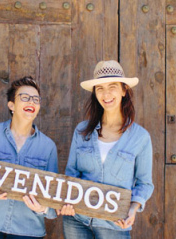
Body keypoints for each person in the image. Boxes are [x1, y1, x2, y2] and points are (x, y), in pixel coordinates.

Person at [60, 60, 154, 239]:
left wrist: (133, 209)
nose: (106, 93)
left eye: (112, 86)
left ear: (124, 90)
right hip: (77, 220)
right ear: (95, 93)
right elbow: (71, 174)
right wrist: (67, 201)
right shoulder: (81, 131)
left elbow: (144, 184)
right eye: (100, 88)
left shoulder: (140, 137)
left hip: (114, 224)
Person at [0, 76, 58, 239]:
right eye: (25, 97)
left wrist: (43, 208)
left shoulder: (48, 147)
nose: (32, 102)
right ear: (11, 105)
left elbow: (53, 202)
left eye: (36, 99)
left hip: (27, 230)